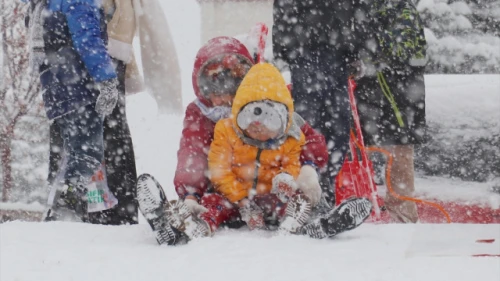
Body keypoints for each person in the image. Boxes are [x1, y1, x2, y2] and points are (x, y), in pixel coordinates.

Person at [136, 63, 373, 245]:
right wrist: (243, 201)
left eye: (268, 121)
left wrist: (289, 181)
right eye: (249, 120)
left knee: (298, 200)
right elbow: (218, 170)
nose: (258, 128)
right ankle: (188, 228)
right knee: (214, 204)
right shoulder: (226, 130)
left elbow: (294, 162)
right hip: (234, 194)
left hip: (272, 195)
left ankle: (312, 225)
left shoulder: (291, 134)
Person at [174, 36, 330, 224]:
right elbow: (193, 153)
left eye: (222, 95)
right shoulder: (203, 113)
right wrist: (190, 194)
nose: (216, 102)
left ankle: (310, 219)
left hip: (274, 189)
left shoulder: (273, 100)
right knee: (213, 204)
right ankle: (194, 221)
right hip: (229, 192)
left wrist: (307, 170)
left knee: (293, 200)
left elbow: (308, 139)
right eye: (210, 94)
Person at [272, 0, 374, 203]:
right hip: (322, 49)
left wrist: (283, 48)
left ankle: (319, 187)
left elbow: (282, 10)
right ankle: (320, 188)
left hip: (316, 49)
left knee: (317, 126)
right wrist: (358, 49)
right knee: (325, 126)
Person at [29, 0, 120, 221]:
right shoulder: (77, 2)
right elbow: (88, 42)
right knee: (87, 152)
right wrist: (107, 79)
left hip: (54, 82)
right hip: (76, 82)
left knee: (73, 150)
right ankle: (66, 205)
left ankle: (62, 204)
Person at [355, 0, 428, 223]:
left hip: (402, 94)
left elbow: (401, 48)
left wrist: (368, 36)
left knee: (400, 151)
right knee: (360, 149)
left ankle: (402, 213)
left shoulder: (403, 9)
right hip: (370, 90)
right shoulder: (361, 8)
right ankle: (360, 209)